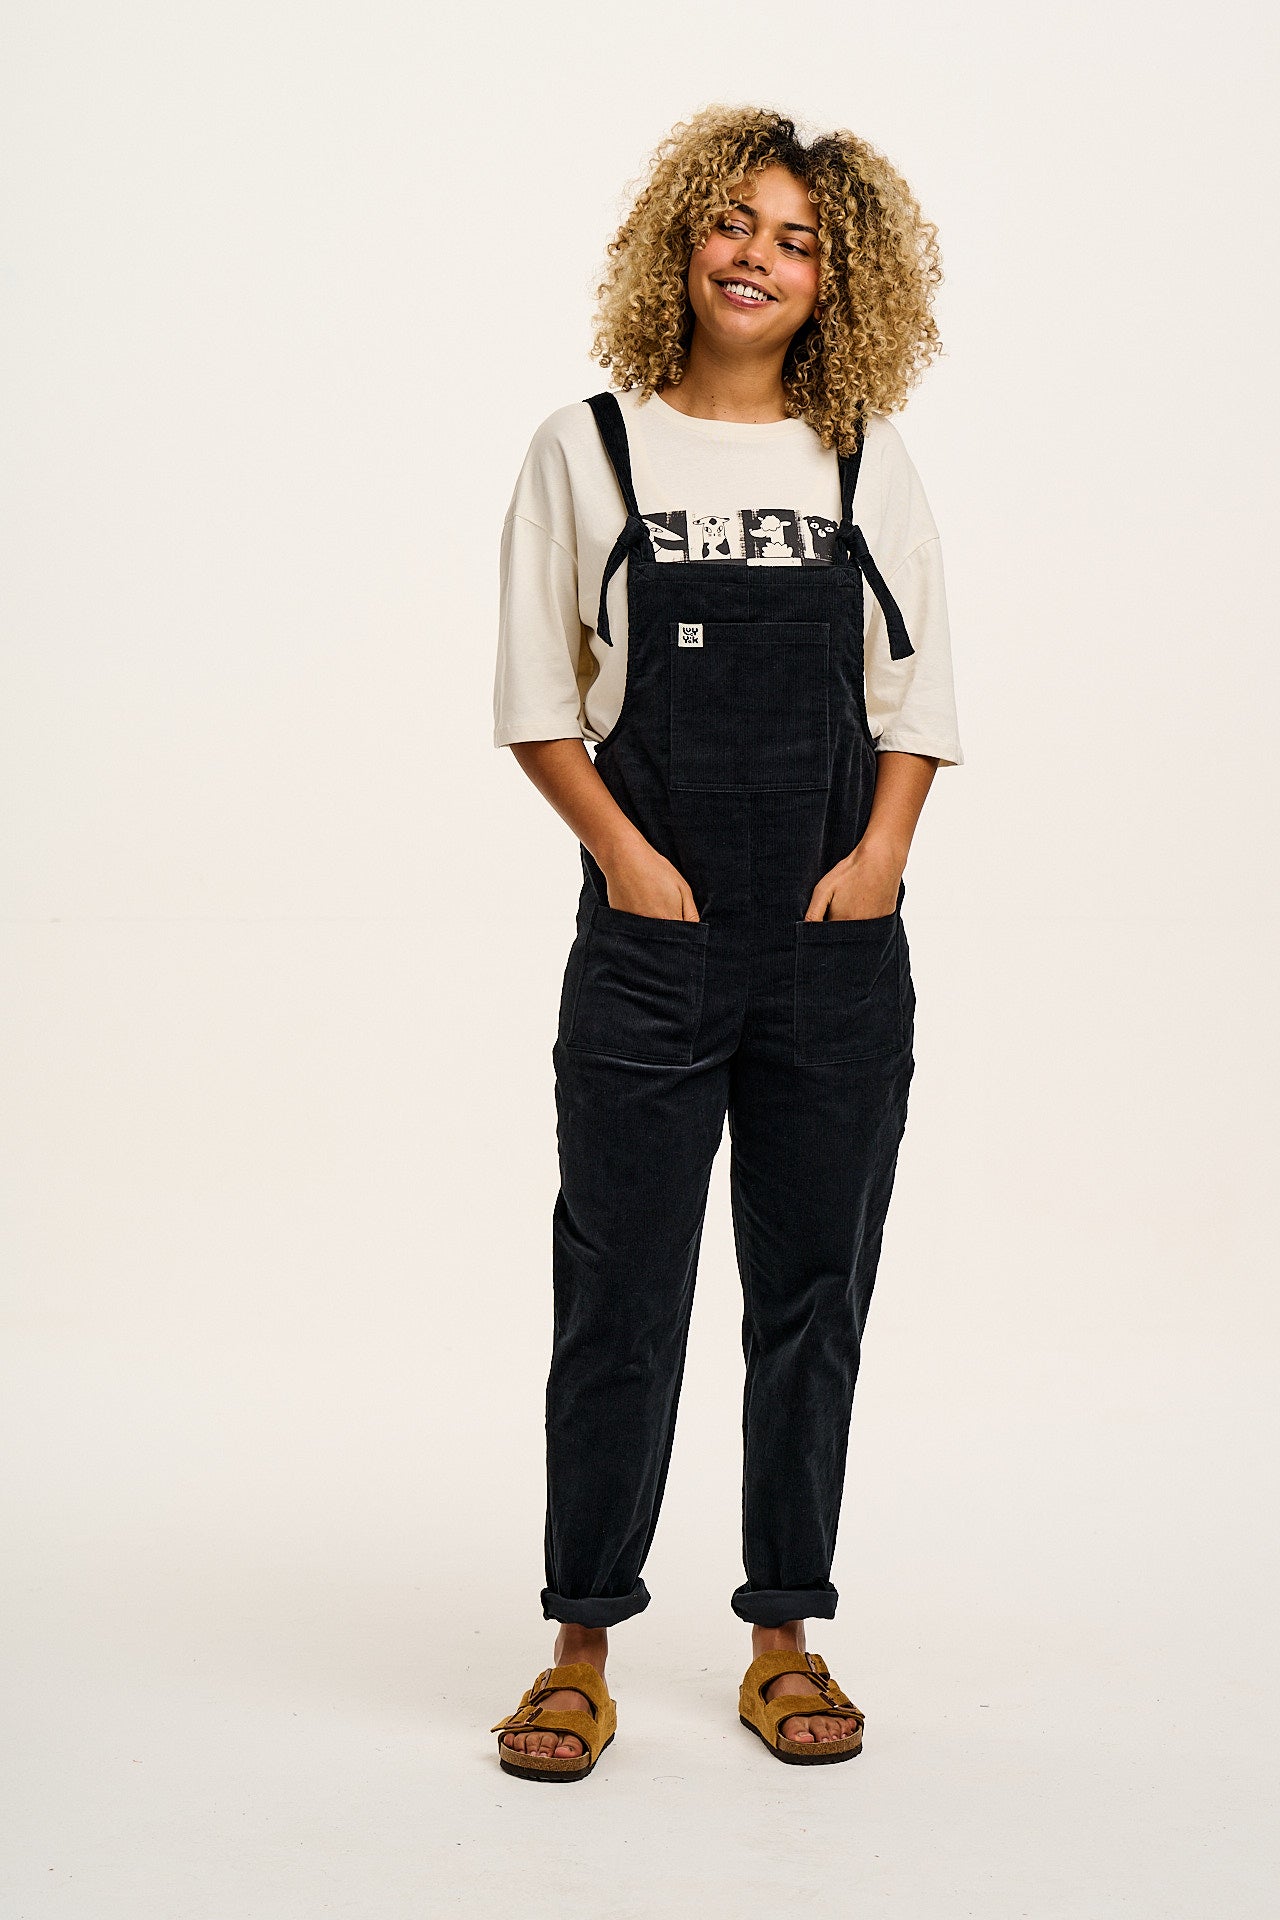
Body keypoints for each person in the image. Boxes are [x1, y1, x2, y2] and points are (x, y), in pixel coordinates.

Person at [488, 104, 963, 1781]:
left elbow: (917, 696)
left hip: (834, 946)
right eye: (736, 224)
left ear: (842, 280)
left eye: (800, 240)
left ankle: (784, 1634)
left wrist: (882, 859)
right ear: (680, 238)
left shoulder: (862, 456)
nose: (759, 258)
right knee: (618, 1289)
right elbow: (538, 701)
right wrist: (626, 861)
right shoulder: (589, 449)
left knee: (812, 1293)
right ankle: (579, 1644)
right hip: (649, 948)